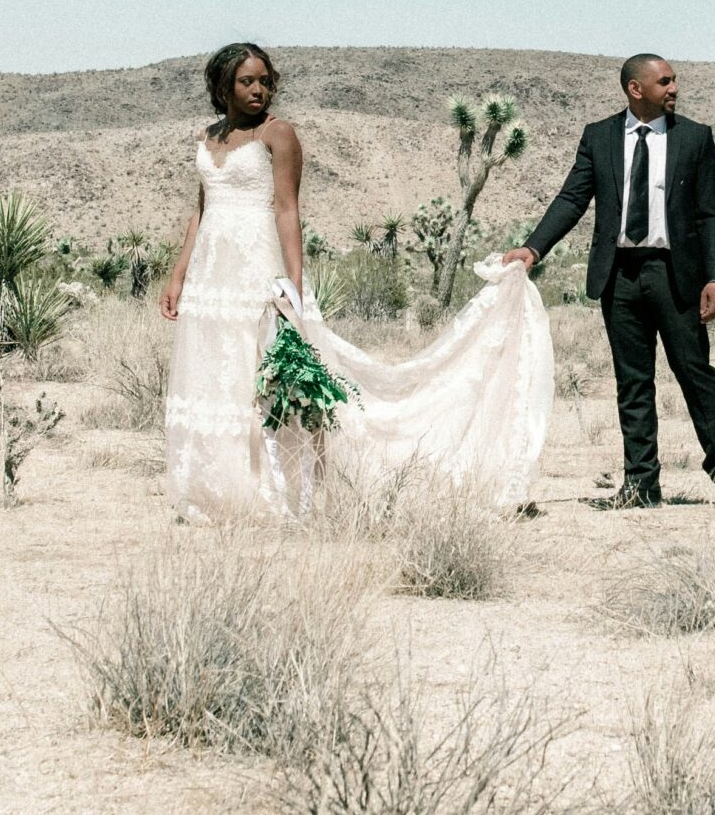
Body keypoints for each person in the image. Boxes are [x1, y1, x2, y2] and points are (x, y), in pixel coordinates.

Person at [160, 42, 554, 523]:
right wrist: (179, 275)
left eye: (264, 79)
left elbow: (287, 210)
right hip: (209, 276)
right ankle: (215, 489)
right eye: (247, 81)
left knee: (259, 376)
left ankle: (271, 493)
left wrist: (294, 288)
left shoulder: (278, 134)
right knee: (214, 377)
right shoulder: (208, 136)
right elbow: (201, 208)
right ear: (223, 85)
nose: (258, 89)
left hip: (255, 271)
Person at [504, 54, 715, 509]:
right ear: (636, 89)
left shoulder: (695, 138)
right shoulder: (600, 137)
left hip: (676, 276)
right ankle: (641, 485)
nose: (674, 89)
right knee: (632, 382)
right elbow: (572, 198)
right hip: (620, 276)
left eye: (674, 81)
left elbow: (711, 213)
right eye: (665, 82)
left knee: (695, 374)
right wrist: (533, 249)